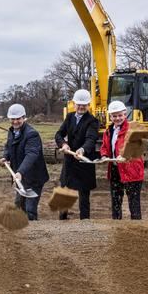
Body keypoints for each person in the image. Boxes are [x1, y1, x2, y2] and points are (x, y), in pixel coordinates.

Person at [54, 89, 100, 220]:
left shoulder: (92, 121)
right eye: (78, 104)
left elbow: (91, 139)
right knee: (64, 191)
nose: (81, 107)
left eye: (84, 104)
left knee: (84, 196)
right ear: (74, 104)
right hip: (69, 161)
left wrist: (82, 150)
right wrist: (63, 144)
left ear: (88, 105)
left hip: (84, 161)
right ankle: (62, 219)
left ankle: (84, 222)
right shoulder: (69, 117)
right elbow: (59, 134)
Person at [0, 104, 49, 221]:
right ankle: (21, 234)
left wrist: (20, 171)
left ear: (24, 118)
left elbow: (31, 154)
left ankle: (33, 234)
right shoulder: (12, 131)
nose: (15, 121)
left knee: (30, 210)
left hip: (34, 178)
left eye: (18, 119)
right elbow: (9, 146)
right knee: (18, 206)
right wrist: (5, 157)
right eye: (13, 119)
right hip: (20, 177)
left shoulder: (32, 134)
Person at [100, 100, 145, 220]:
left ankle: (136, 230)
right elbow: (104, 146)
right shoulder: (108, 131)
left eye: (120, 115)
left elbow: (138, 147)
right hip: (115, 169)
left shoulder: (132, 130)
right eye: (114, 116)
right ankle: (117, 227)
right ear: (110, 116)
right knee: (115, 202)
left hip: (132, 171)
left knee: (134, 203)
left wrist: (125, 155)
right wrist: (104, 155)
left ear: (125, 114)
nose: (117, 118)